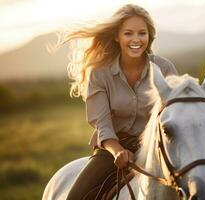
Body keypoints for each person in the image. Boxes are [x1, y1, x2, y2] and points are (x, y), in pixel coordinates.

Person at [56, 4, 178, 199]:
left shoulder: (164, 68)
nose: (136, 39)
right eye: (128, 33)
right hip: (112, 148)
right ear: (117, 36)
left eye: (142, 33)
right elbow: (102, 123)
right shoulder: (99, 73)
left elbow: (175, 114)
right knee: (75, 196)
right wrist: (117, 151)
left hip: (156, 148)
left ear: (149, 36)